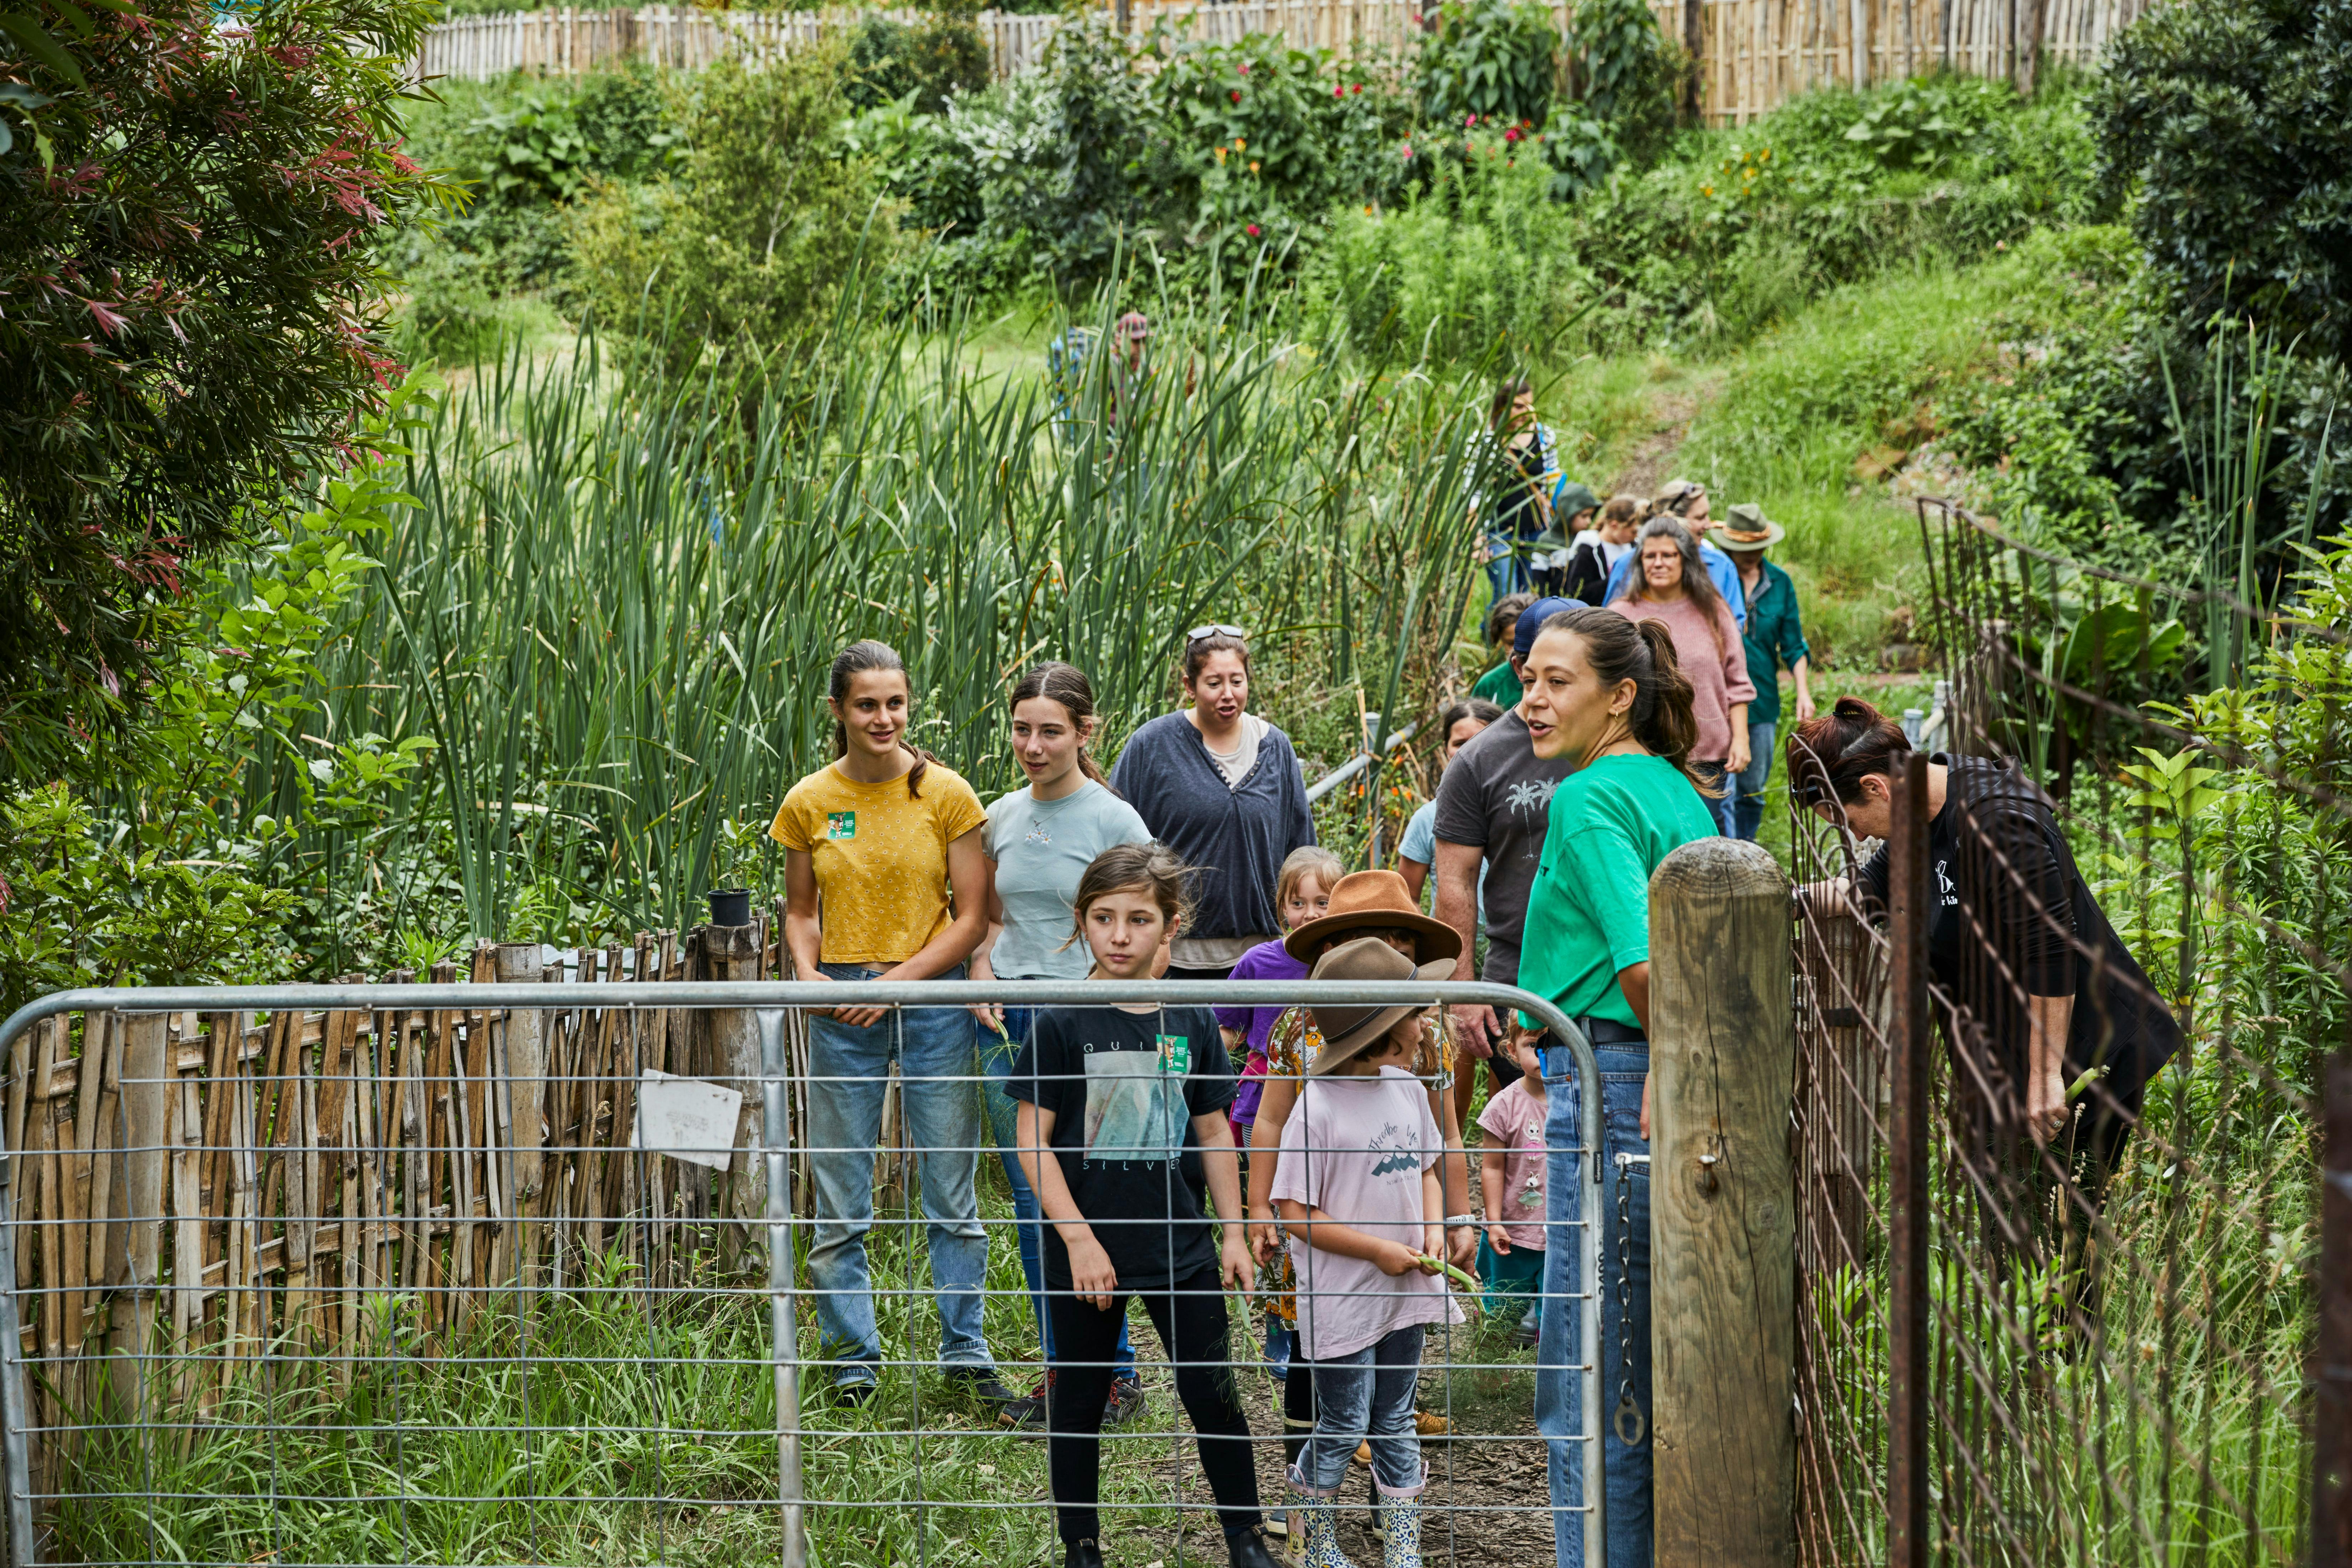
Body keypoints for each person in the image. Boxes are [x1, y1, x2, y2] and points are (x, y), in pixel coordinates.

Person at [1785, 699, 2182, 1330]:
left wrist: (2043, 1076)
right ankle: (2033, 1366)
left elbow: (2051, 949)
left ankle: (2055, 1377)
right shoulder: (1920, 811)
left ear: (1874, 786)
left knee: (2048, 1238)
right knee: (2010, 1226)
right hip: (2007, 1055)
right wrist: (1778, 899)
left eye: (1845, 816)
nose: (1853, 832)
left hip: (2080, 1058)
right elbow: (1869, 888)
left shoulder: (1998, 823)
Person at [1510, 605, 1721, 1568]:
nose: (1531, 700)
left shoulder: (1587, 797)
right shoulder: (1679, 790)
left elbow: (1641, 965)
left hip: (1609, 1075)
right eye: (1525, 680)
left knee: (1585, 1371)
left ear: (1618, 694)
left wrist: (1665, 1054)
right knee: (1635, 1355)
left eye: (1557, 681)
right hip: (1661, 1073)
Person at [1007, 843, 1278, 1568]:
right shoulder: (1061, 1021)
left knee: (1212, 1390)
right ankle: (1082, 1547)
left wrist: (1234, 1235)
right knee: (1081, 1398)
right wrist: (1078, 1239)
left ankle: (1245, 1538)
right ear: (1082, 923)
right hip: (1088, 1249)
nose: (1119, 935)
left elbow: (1216, 1129)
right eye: (1103, 918)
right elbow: (1031, 1139)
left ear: (1170, 925)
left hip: (1181, 1246)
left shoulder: (1189, 1022)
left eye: (1137, 919)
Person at [774, 639, 1013, 1409]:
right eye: (867, 704)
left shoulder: (945, 794)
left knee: (951, 1189)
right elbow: (802, 910)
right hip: (841, 1008)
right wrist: (810, 978)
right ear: (839, 711)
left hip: (934, 999)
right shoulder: (810, 801)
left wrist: (901, 985)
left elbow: (974, 916)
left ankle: (965, 1355)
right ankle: (851, 1361)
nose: (884, 717)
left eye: (895, 703)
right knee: (841, 1194)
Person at [1244, 872, 1479, 1542]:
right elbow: (1270, 1119)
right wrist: (1260, 1204)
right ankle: (1306, 1516)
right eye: (1365, 941)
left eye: (1397, 942)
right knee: (1311, 1362)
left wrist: (1454, 1217)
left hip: (1398, 1226)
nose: (1384, 952)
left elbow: (1443, 1137)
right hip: (1319, 1228)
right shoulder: (1301, 1023)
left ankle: (1386, 1519)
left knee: (1388, 1381)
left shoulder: (1422, 1034)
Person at [968, 661, 1154, 1430]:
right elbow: (989, 917)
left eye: (1051, 730)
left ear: (1085, 732)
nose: (1034, 745)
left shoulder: (1115, 821)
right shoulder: (1000, 816)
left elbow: (1146, 927)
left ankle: (1115, 1374)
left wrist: (1119, 1010)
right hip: (1009, 1019)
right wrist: (981, 970)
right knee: (1029, 1198)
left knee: (1095, 1189)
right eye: (1022, 729)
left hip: (1086, 1016)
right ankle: (1064, 1372)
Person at [1431, 597, 1582, 1123]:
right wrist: (1466, 993)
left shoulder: (1614, 744)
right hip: (1517, 971)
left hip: (1609, 969)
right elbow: (1453, 884)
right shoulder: (1479, 761)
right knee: (1531, 1130)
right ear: (1520, 667)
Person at [1111, 627, 1316, 981]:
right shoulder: (1151, 746)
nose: (1228, 695)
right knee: (1175, 1041)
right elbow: (1114, 841)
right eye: (1214, 683)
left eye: (1237, 681)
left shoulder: (1277, 748)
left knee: (1256, 1040)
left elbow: (1302, 850)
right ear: (1189, 686)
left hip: (1261, 958)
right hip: (1173, 958)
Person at [1607, 516, 1753, 836]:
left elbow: (1737, 682)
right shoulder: (1620, 614)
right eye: (1650, 556)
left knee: (1708, 842)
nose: (1658, 563)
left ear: (1685, 560)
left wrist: (1740, 739)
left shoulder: (1713, 610)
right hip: (1642, 756)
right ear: (1639, 560)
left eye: (1668, 555)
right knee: (1651, 837)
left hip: (1707, 755)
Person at [1714, 504, 1815, 841]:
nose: (1751, 554)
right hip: (1715, 700)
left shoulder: (1779, 583)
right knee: (1718, 785)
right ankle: (1720, 854)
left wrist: (1803, 691)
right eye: (1744, 548)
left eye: (1757, 547)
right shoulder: (1711, 577)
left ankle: (1746, 848)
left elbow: (1794, 644)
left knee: (1752, 786)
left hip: (1762, 700)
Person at [1474, 1031, 1547, 1345]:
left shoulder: (1580, 1100)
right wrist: (1494, 1222)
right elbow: (1492, 1167)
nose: (1544, 1055)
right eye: (1533, 1045)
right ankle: (1492, 1379)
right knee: (1502, 1313)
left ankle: (1550, 1382)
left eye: (1553, 1045)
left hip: (1562, 1232)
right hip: (1513, 1232)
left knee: (1559, 1313)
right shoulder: (1504, 1105)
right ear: (1512, 1051)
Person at [1398, 698, 1503, 908]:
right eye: (1460, 743)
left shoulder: (1525, 809)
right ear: (1445, 748)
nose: (1471, 750)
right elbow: (1408, 899)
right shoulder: (1427, 819)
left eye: (1482, 739)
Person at [1600, 480, 1745, 626]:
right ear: (1673, 519)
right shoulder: (1627, 565)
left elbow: (1735, 626)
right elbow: (1611, 626)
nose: (1708, 525)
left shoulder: (1721, 566)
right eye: (1700, 518)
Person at [1470, 378, 1560, 609]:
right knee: (1506, 599)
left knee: (1531, 599)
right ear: (1503, 406)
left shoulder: (1544, 436)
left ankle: (1518, 645)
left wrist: (1559, 529)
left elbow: (1552, 482)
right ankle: (1493, 640)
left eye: (1530, 405)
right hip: (1499, 533)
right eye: (1519, 406)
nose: (1527, 412)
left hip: (1537, 532)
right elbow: (1474, 493)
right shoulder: (1485, 442)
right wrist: (1476, 538)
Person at [1559, 495, 1642, 608]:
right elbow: (1578, 592)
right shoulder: (1589, 548)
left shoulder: (1634, 547)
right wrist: (1616, 578)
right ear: (1614, 526)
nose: (1636, 536)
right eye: (1633, 532)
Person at [1528, 483, 1600, 598]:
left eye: (1591, 516)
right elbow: (1538, 582)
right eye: (1584, 516)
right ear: (1568, 512)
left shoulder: (1589, 541)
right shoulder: (1546, 541)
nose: (1588, 521)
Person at [1470, 593, 1535, 708]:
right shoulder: (1489, 685)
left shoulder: (1559, 680)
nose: (1519, 650)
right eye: (1511, 643)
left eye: (1528, 642)